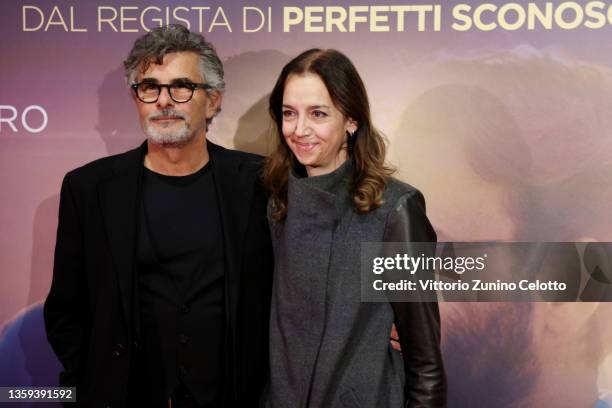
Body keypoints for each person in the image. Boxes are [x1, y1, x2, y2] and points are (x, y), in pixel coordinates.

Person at [44, 24, 273, 407]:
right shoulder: (88, 189)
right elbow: (67, 307)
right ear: (137, 100)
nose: (164, 101)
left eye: (182, 86)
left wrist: (392, 311)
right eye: (150, 87)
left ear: (213, 101)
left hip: (234, 395)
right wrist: (88, 385)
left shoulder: (261, 182)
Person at [262, 49, 447, 407]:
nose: (299, 130)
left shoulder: (394, 210)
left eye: (318, 114)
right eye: (289, 114)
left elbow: (425, 361)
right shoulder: (277, 203)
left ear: (351, 119)